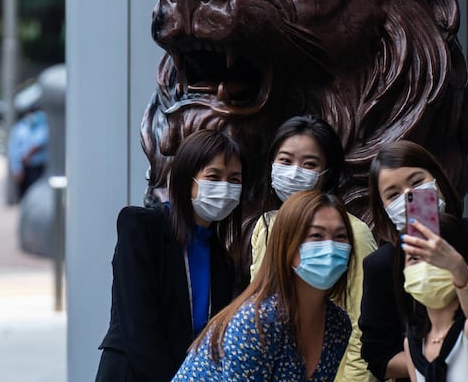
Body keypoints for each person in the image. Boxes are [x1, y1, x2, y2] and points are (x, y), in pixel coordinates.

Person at [359, 140, 468, 381]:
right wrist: (432, 366)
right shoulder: (381, 266)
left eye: (416, 182)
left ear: (439, 181)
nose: (409, 197)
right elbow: (378, 353)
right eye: (393, 194)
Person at [95, 129, 245, 382]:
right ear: (187, 178)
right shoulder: (142, 227)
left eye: (234, 180)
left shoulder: (222, 256)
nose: (224, 187)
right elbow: (139, 328)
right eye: (213, 176)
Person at [171, 191, 354, 381]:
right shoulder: (257, 321)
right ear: (287, 245)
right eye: (316, 235)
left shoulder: (338, 325)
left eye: (340, 237)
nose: (330, 247)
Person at [248, 115, 378, 382]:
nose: (295, 171)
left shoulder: (352, 233)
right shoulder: (265, 227)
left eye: (309, 164)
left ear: (325, 174)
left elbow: (363, 325)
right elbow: (259, 307)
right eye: (285, 160)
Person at [401, 214, 468, 382]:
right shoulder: (413, 343)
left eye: (436, 255)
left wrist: (457, 268)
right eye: (414, 258)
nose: (426, 265)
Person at [7, 88, 48, 201]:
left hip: (40, 167)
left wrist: (28, 154)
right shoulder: (20, 127)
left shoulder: (44, 123)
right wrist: (17, 168)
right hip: (25, 168)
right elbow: (13, 150)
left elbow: (41, 141)